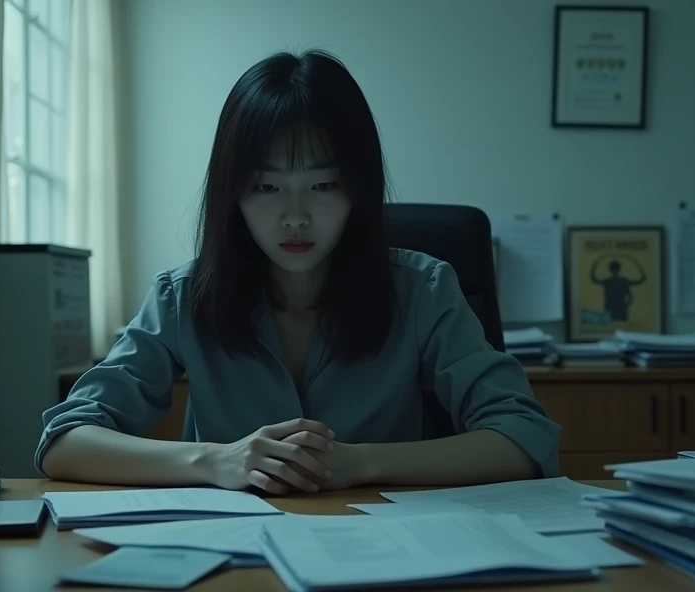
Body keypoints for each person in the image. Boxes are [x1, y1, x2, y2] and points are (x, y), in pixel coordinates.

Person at [36, 49, 560, 494]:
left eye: (323, 185)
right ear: (231, 193)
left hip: (384, 547)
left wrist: (360, 463)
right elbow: (66, 440)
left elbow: (525, 436)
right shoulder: (184, 296)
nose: (295, 215)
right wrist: (214, 462)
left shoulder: (423, 289)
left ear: (358, 187)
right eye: (266, 187)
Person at [590, 256, 646, 322]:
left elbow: (594, 279)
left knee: (610, 325)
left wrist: (594, 265)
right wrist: (638, 265)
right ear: (619, 269)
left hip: (610, 307)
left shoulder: (607, 281)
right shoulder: (624, 281)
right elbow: (640, 281)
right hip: (621, 307)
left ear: (609, 269)